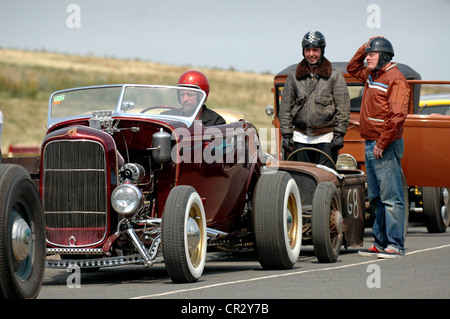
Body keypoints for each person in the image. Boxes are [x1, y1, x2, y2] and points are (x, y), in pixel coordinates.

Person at [347, 37, 409, 258]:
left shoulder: (396, 79)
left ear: (383, 56)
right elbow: (351, 67)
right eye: (367, 54)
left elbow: (397, 116)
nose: (367, 58)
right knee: (375, 197)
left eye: (371, 54)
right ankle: (380, 243)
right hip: (370, 143)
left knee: (391, 197)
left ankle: (395, 245)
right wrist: (364, 46)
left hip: (385, 145)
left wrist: (382, 143)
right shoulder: (372, 76)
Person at [279, 31, 350, 168]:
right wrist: (287, 134)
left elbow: (343, 108)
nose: (311, 54)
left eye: (315, 50)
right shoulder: (293, 77)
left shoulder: (335, 76)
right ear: (303, 51)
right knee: (302, 178)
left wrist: (339, 133)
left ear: (322, 50)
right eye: (308, 50)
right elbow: (285, 109)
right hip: (300, 137)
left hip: (326, 137)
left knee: (326, 178)